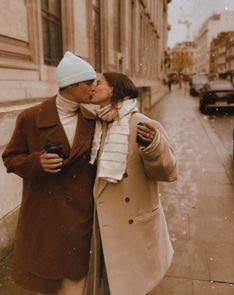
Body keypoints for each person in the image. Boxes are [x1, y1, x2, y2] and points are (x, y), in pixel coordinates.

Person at [2, 51, 97, 295]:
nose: (94, 88)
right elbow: (10, 159)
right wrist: (37, 163)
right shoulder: (30, 117)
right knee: (48, 282)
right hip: (46, 214)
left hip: (81, 215)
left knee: (77, 279)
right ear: (72, 84)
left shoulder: (93, 119)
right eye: (89, 82)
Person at [89, 72, 177, 295]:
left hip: (132, 222)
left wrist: (153, 147)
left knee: (125, 284)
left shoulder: (142, 123)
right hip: (103, 221)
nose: (92, 86)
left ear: (114, 90)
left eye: (98, 82)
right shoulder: (98, 123)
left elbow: (168, 171)